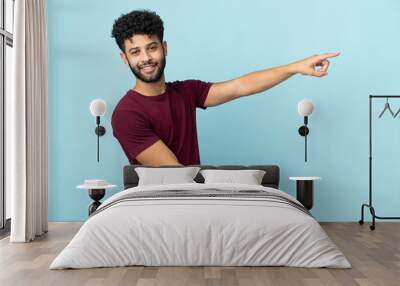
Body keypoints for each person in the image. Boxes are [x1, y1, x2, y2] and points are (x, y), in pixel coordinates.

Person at [111, 9, 340, 166]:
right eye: (135, 52)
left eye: (151, 48)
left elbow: (241, 86)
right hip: (155, 206)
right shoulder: (126, 114)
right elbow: (174, 172)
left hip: (191, 196)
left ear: (164, 48)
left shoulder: (186, 92)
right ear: (125, 58)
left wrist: (296, 67)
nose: (146, 58)